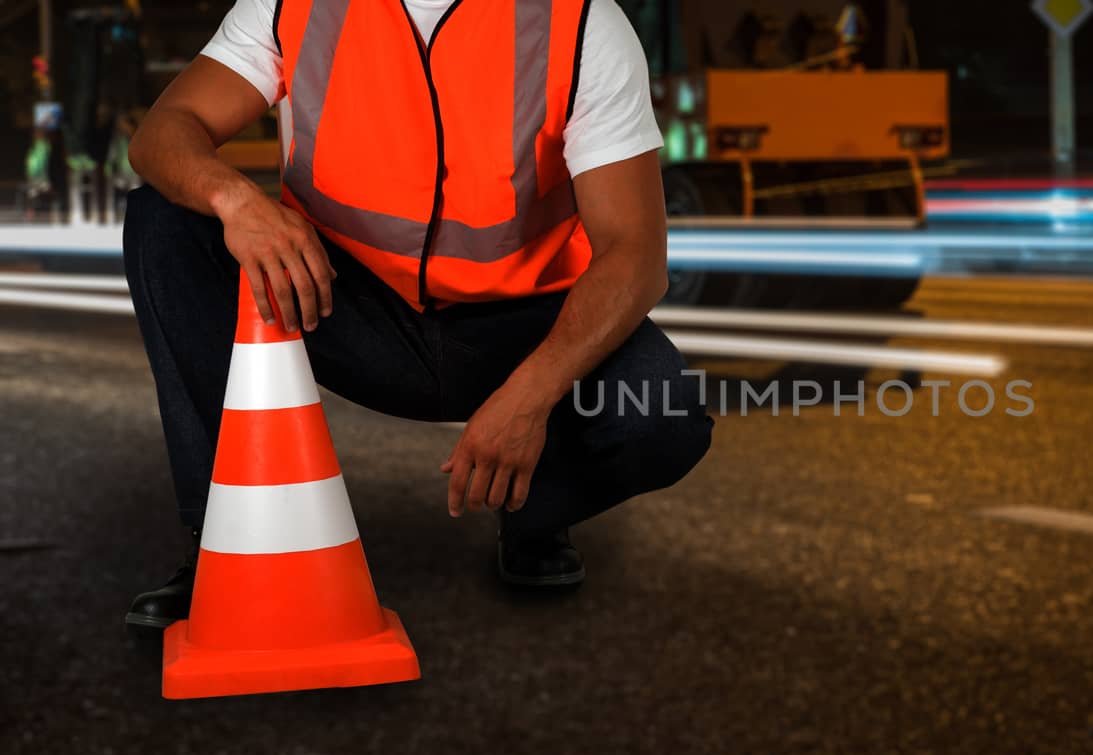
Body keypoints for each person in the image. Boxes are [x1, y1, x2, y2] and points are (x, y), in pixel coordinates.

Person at [122, 0, 714, 629]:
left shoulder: (581, 22)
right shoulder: (291, 5)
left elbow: (636, 254)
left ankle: (535, 511)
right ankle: (222, 544)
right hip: (342, 302)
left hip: (519, 329)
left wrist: (530, 399)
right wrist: (236, 199)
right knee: (165, 222)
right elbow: (164, 130)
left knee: (663, 418)